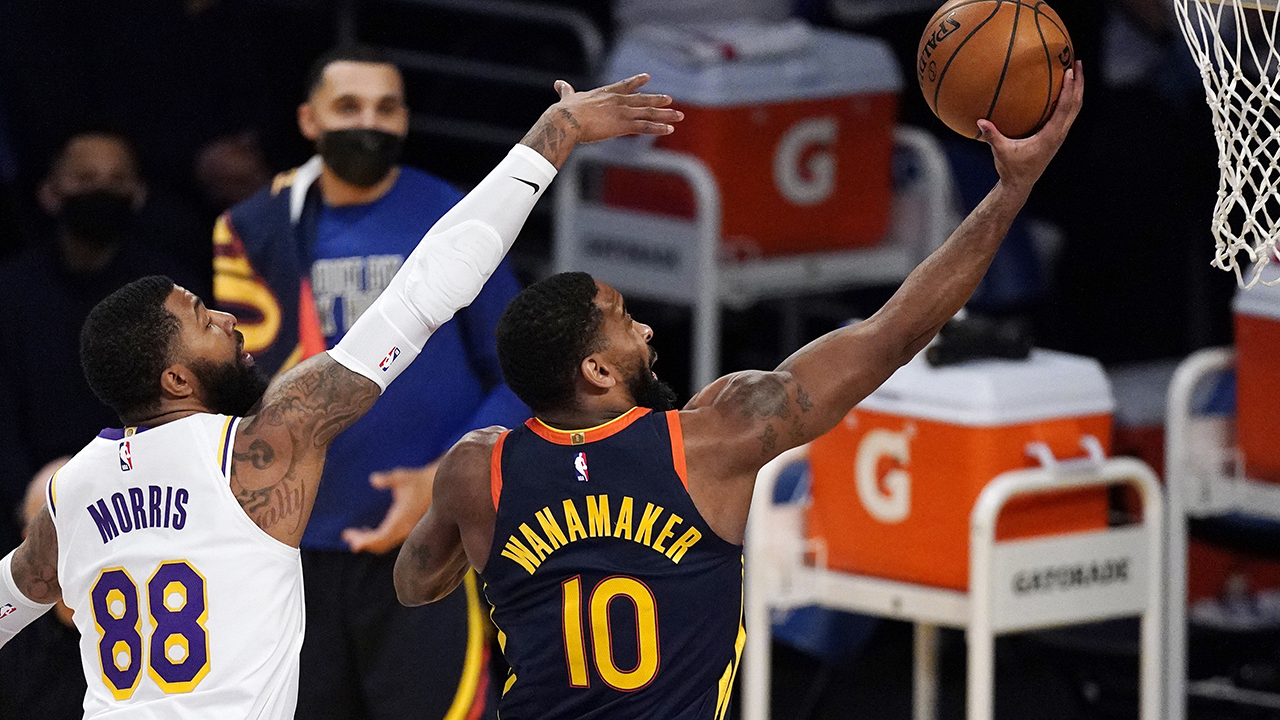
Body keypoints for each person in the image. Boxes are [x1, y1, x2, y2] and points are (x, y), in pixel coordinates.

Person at [394, 62, 1085, 719]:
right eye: (622, 321)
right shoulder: (714, 438)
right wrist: (1010, 192)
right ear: (597, 372)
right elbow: (894, 333)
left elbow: (414, 583)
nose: (643, 329)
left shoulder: (475, 470)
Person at [0, 74, 681, 719]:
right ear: (175, 379)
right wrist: (555, 133)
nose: (231, 320)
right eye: (205, 323)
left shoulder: (71, 492)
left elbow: (11, 599)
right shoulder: (260, 450)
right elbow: (425, 290)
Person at [212, 43, 533, 719]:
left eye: (387, 108)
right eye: (349, 106)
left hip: (431, 545)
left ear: (407, 120)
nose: (370, 122)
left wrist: (443, 483)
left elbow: (523, 378)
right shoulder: (253, 230)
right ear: (308, 120)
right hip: (287, 556)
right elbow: (236, 393)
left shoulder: (459, 216)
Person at [0, 130, 208, 550]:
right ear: (49, 192)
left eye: (117, 180)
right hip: (24, 512)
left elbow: (192, 408)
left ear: (139, 193)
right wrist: (27, 499)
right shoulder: (10, 291)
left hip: (148, 509)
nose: (101, 191)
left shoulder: (172, 293)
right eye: (85, 177)